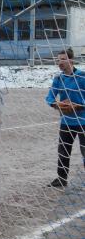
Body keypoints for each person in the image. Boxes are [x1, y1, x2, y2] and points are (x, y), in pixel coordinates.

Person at [45, 48, 85, 188]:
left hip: (83, 121)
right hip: (66, 122)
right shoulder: (58, 79)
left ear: (71, 60)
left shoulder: (82, 77)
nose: (59, 62)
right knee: (63, 151)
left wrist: (78, 106)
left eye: (63, 59)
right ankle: (61, 179)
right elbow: (49, 97)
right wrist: (57, 104)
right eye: (58, 59)